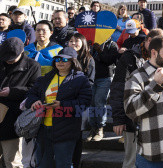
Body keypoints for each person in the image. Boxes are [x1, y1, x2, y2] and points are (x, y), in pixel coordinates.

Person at [124, 36, 163, 168]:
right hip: (152, 155)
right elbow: (130, 110)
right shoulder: (137, 76)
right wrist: (155, 84)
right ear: (154, 52)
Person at [25, 47, 92, 168]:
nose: (60, 62)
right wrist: (34, 102)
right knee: (43, 165)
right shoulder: (46, 78)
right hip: (43, 128)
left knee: (63, 164)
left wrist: (62, 105)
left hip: (66, 130)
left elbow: (84, 103)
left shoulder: (81, 80)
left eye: (64, 60)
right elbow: (30, 94)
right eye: (57, 59)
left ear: (73, 62)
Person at [110, 28, 163, 168]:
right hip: (133, 120)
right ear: (148, 40)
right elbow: (118, 88)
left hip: (156, 121)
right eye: (156, 44)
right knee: (131, 161)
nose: (158, 49)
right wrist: (118, 118)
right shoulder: (129, 58)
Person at [0, 38, 40, 168]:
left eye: (11, 58)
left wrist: (12, 92)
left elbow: (34, 90)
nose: (8, 60)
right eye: (6, 57)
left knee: (13, 162)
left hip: (13, 118)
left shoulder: (32, 66)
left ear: (21, 52)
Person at [67, 33, 95, 167]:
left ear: (83, 43)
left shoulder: (89, 60)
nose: (73, 43)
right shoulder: (63, 58)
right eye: (71, 41)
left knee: (77, 138)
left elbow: (90, 83)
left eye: (76, 41)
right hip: (63, 103)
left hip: (79, 104)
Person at [86, 37, 119, 142]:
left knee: (99, 102)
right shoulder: (89, 43)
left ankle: (100, 128)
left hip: (104, 77)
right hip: (90, 77)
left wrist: (100, 50)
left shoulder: (112, 45)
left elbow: (110, 61)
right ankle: (93, 128)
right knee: (91, 103)